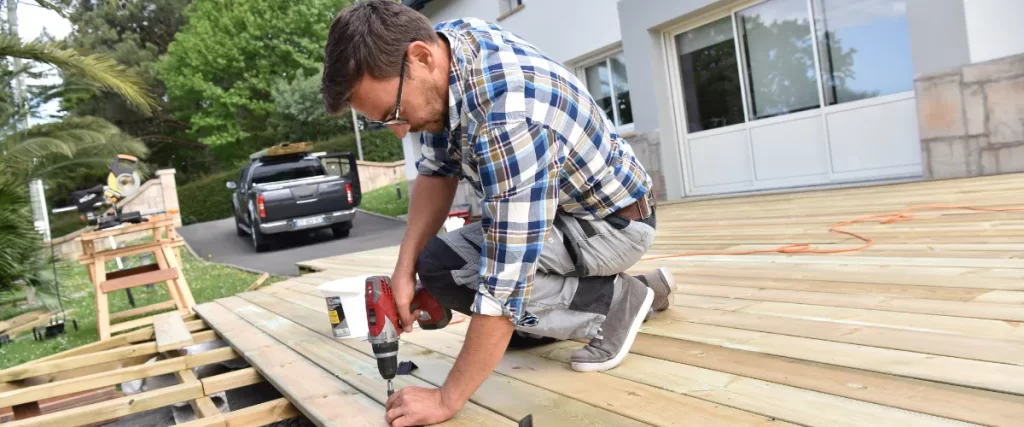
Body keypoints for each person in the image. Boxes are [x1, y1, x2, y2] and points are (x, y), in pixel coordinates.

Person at [321, 2, 675, 426]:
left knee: (481, 279)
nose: (399, 130)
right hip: (565, 213)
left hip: (611, 225)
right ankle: (625, 292)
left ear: (420, 56)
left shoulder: (510, 115)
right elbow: (437, 172)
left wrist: (446, 399)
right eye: (384, 122)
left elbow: (504, 284)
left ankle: (618, 300)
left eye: (395, 115)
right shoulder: (452, 50)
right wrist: (404, 269)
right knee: (437, 266)